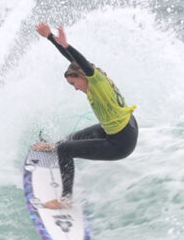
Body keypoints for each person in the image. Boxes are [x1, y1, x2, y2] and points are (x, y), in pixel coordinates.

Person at [32, 23, 138, 209]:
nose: (75, 88)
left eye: (74, 83)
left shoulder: (96, 82)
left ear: (82, 76)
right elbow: (75, 61)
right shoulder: (95, 77)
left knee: (65, 149)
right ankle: (54, 147)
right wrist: (50, 37)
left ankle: (65, 200)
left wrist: (67, 45)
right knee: (70, 140)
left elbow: (82, 63)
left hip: (121, 143)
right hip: (123, 126)